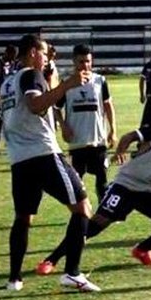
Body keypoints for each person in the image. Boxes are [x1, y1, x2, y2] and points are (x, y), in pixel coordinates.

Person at [38, 98, 151, 274]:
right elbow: (129, 136)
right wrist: (121, 150)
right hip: (127, 185)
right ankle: (51, 259)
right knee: (94, 226)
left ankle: (143, 249)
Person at [0, 34, 99, 293]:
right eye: (43, 53)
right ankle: (72, 273)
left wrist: (54, 82)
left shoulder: (8, 82)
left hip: (19, 158)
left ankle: (14, 279)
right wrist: (67, 85)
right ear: (33, 52)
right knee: (83, 208)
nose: (45, 58)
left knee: (23, 218)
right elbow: (35, 105)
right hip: (43, 153)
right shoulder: (31, 75)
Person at [58, 44, 117, 202]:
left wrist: (113, 130)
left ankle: (103, 213)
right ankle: (80, 213)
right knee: (77, 183)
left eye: (88, 61)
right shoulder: (67, 83)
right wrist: (63, 126)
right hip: (77, 142)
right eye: (81, 61)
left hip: (98, 141)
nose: (86, 65)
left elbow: (107, 105)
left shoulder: (100, 81)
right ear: (74, 61)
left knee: (102, 181)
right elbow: (56, 108)